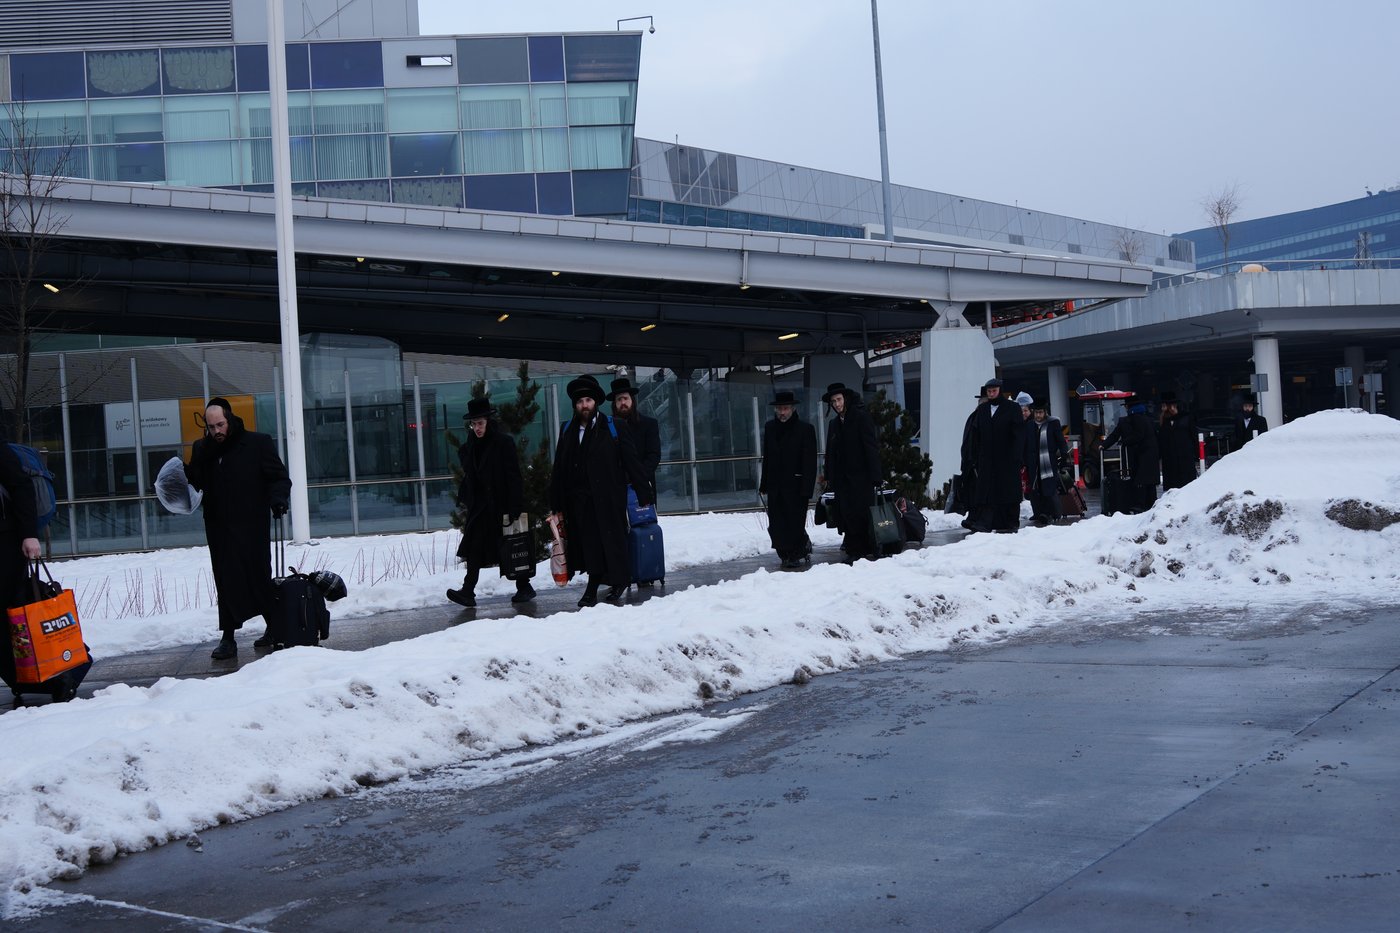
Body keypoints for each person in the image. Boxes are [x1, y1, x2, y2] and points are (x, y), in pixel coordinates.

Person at [184, 397, 291, 660]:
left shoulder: (257, 443)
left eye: (220, 425)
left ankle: (274, 627)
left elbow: (278, 477)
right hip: (219, 526)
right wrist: (178, 476)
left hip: (251, 523)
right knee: (226, 578)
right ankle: (228, 637)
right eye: (211, 427)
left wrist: (278, 500)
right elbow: (196, 482)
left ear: (230, 419)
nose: (216, 431)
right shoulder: (203, 448)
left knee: (258, 575)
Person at [549, 375, 653, 607]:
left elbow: (631, 461)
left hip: (608, 497)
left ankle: (616, 582)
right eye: (580, 402)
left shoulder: (615, 427)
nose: (584, 405)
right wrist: (555, 501)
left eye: (588, 400)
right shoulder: (567, 429)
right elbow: (559, 468)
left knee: (613, 540)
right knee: (590, 544)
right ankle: (595, 583)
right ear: (575, 406)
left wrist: (643, 493)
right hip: (579, 500)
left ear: (596, 402)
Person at [447, 396, 535, 608]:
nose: (477, 428)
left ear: (488, 421)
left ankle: (524, 586)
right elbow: (471, 474)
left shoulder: (503, 443)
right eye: (473, 423)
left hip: (502, 505)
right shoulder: (470, 446)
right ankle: (468, 590)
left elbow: (514, 476)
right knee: (475, 546)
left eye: (480, 423)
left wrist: (515, 505)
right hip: (481, 507)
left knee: (513, 545)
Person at [822, 382, 883, 562]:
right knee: (846, 514)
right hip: (842, 480)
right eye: (833, 401)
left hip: (861, 478)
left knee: (861, 514)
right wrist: (829, 477)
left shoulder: (860, 418)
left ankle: (863, 549)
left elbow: (870, 447)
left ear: (846, 399)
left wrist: (876, 476)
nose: (837, 404)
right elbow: (830, 453)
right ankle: (854, 550)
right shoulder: (834, 424)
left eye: (839, 400)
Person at [0, 441, 43, 689]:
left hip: (6, 544)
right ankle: (21, 679)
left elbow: (22, 486)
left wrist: (29, 534)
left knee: (13, 614)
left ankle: (40, 677)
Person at [759, 389, 818, 569]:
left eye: (785, 409)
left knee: (794, 522)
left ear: (792, 409)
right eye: (779, 409)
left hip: (796, 485)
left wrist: (807, 488)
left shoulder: (805, 429)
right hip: (775, 485)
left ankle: (795, 553)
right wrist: (764, 483)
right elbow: (767, 457)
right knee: (777, 523)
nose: (782, 412)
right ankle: (785, 553)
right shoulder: (770, 428)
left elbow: (809, 461)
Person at [960, 378, 1024, 533]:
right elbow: (976, 436)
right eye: (989, 391)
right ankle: (985, 522)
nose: (991, 394)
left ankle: (1010, 522)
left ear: (1000, 391)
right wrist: (975, 458)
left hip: (1007, 459)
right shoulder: (982, 410)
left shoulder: (1012, 408)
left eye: (994, 391)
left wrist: (1017, 458)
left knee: (1007, 491)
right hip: (986, 460)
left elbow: (1018, 435)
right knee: (987, 492)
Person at [1103, 395, 1160, 514]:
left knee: (1141, 480)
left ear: (1129, 407)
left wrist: (1121, 442)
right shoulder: (1148, 419)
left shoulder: (1133, 420)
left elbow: (1135, 435)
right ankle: (1150, 504)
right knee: (1148, 482)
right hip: (1147, 455)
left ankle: (1140, 505)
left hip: (1140, 455)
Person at [608, 376, 661, 502]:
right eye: (619, 400)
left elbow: (654, 455)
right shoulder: (606, 428)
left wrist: (637, 477)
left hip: (642, 487)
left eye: (625, 398)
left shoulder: (649, 424)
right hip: (615, 489)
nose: (623, 403)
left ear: (632, 400)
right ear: (614, 404)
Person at [1022, 398, 1067, 527]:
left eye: (1040, 412)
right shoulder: (1029, 425)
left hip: (1048, 461)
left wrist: (1064, 456)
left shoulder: (1053, 423)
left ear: (1045, 412)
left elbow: (1061, 441)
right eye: (1036, 413)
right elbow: (1025, 444)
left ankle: (1051, 513)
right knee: (1034, 488)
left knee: (1048, 488)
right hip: (1032, 463)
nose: (1038, 415)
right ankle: (1038, 513)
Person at [1157, 392, 1198, 491]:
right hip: (1170, 459)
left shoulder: (1186, 418)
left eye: (1165, 406)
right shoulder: (1164, 421)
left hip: (1185, 457)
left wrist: (1196, 454)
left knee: (1186, 485)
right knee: (1172, 487)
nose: (1164, 409)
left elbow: (1194, 436)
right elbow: (1161, 440)